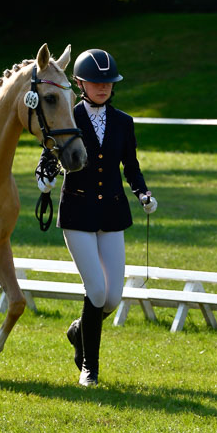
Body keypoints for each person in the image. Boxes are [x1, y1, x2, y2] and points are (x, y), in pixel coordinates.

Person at [36, 48, 158, 387]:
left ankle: (79, 330)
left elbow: (130, 165)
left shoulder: (123, 122)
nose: (102, 88)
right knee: (97, 291)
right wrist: (44, 178)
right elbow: (49, 155)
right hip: (77, 212)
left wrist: (142, 192)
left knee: (114, 297)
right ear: (79, 83)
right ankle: (90, 368)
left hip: (113, 212)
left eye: (107, 83)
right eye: (95, 82)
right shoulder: (67, 114)